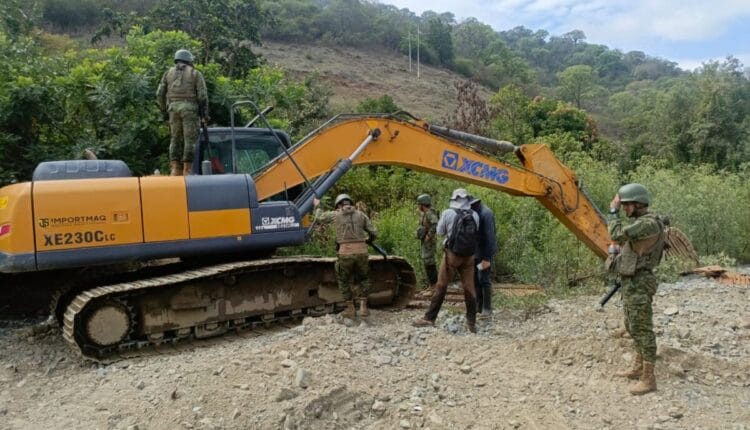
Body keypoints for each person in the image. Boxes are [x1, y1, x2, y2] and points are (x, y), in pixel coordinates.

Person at [608, 183, 666, 395]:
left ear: (638, 204)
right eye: (621, 206)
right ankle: (638, 366)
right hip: (632, 282)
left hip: (640, 282)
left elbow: (616, 232)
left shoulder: (648, 224)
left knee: (643, 330)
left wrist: (612, 211)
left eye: (626, 205)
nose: (624, 209)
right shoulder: (643, 223)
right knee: (632, 325)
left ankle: (649, 379)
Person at [413, 188, 480, 333]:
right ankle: (471, 323)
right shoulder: (474, 214)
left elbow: (440, 232)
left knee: (441, 285)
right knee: (469, 288)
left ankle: (429, 318)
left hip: (452, 255)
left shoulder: (448, 213)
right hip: (469, 256)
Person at [313, 194, 377, 318]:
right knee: (364, 279)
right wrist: (368, 240)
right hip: (362, 252)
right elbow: (374, 232)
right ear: (350, 203)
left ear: (339, 205)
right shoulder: (361, 215)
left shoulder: (335, 214)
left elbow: (319, 218)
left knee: (344, 281)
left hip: (345, 253)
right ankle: (363, 308)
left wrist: (317, 206)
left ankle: (350, 309)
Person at [156, 49, 209, 176]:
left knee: (175, 139)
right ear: (189, 60)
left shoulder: (168, 73)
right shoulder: (195, 73)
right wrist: (204, 115)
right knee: (189, 140)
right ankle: (187, 169)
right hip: (189, 109)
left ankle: (174, 169)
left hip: (173, 109)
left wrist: (164, 109)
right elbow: (202, 96)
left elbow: (159, 94)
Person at [470, 197, 497, 318]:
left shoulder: (486, 214)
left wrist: (487, 258)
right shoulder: (475, 213)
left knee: (484, 280)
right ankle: (478, 307)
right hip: (476, 253)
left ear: (476, 204)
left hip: (484, 253)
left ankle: (487, 308)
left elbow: (490, 238)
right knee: (475, 279)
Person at [416, 194, 439, 287]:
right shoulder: (426, 214)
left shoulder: (429, 213)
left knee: (429, 262)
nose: (418, 206)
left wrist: (429, 235)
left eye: (419, 204)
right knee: (427, 262)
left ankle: (434, 286)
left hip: (429, 242)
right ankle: (432, 285)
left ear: (422, 204)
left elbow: (435, 224)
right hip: (426, 241)